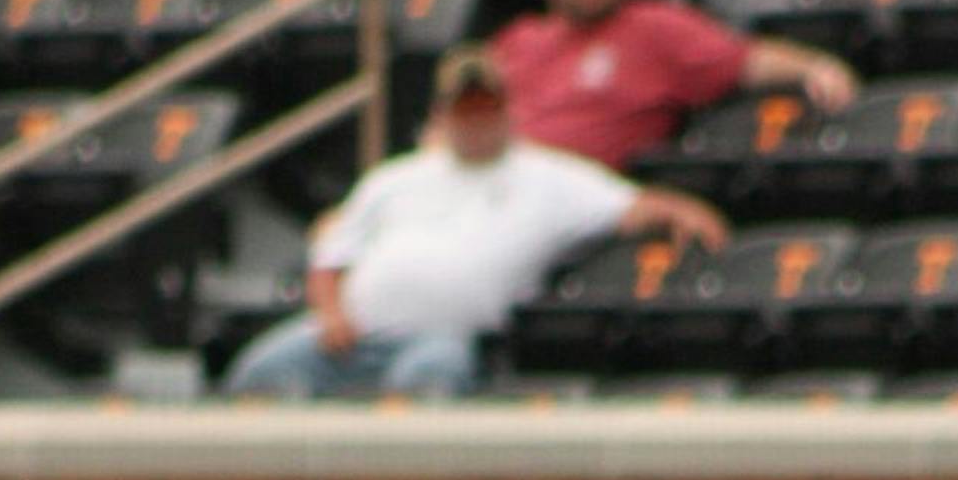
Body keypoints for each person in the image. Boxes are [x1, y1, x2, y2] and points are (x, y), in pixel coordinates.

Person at [224, 40, 727, 398]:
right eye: (464, 107)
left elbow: (633, 206)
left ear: (507, 108)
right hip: (354, 335)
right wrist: (331, 314)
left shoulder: (549, 176)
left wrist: (688, 213)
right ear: (442, 113)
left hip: (445, 340)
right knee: (257, 373)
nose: (476, 117)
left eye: (486, 104)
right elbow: (331, 255)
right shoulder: (394, 177)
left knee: (426, 386)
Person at [494, 0, 859, 174]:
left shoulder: (653, 26)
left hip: (582, 191)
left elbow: (743, 59)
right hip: (496, 177)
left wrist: (816, 66)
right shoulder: (519, 38)